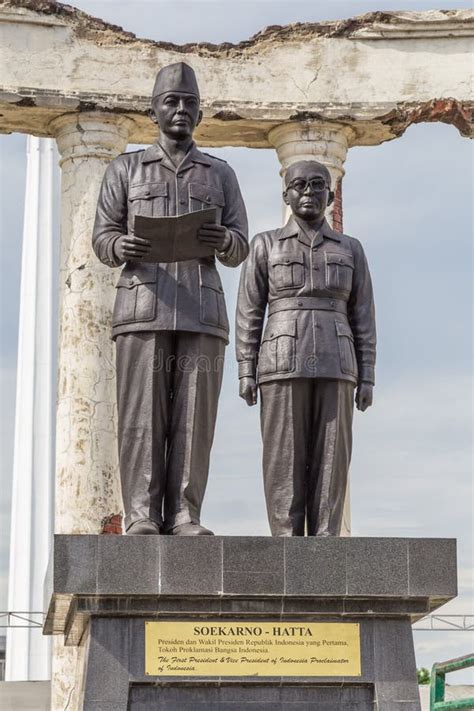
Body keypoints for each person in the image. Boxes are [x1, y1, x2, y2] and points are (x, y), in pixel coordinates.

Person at [93, 62, 248, 535]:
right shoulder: (125, 169)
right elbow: (102, 237)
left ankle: (185, 513)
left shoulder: (220, 174)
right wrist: (121, 246)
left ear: (200, 113)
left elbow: (241, 244)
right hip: (142, 307)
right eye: (171, 101)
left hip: (200, 311)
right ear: (153, 109)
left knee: (194, 420)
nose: (181, 109)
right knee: (141, 416)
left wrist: (223, 239)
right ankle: (141, 513)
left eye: (189, 103)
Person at [236, 160, 375, 536]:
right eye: (300, 185)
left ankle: (326, 541)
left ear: (330, 195)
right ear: (286, 194)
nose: (309, 192)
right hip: (281, 361)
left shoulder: (351, 249)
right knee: (283, 456)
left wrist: (368, 377)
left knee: (332, 455)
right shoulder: (264, 245)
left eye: (318, 185)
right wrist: (246, 370)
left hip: (338, 361)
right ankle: (285, 540)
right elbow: (250, 311)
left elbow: (363, 315)